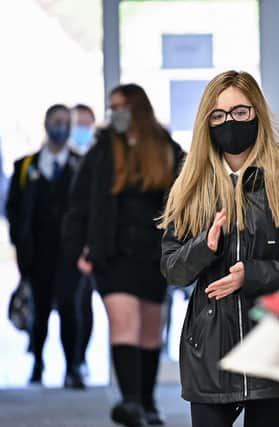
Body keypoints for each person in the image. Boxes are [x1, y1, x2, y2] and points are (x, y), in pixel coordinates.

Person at [159, 70, 279, 427]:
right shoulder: (191, 183)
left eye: (240, 112)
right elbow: (172, 269)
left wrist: (252, 275)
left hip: (271, 344)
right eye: (218, 116)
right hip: (210, 350)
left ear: (257, 113)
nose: (229, 122)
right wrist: (206, 245)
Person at [62, 84, 184, 426]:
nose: (114, 112)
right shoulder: (102, 150)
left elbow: (185, 198)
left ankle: (146, 403)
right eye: (112, 106)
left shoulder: (166, 148)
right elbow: (79, 203)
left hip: (154, 255)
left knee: (149, 330)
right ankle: (130, 403)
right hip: (111, 254)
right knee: (123, 323)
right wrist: (78, 249)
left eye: (121, 106)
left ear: (138, 109)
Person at [6, 104, 84, 388]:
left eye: (65, 121)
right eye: (56, 121)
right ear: (46, 124)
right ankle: (37, 363)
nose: (60, 127)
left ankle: (73, 367)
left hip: (71, 255)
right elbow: (13, 209)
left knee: (69, 310)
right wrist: (20, 241)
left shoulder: (81, 165)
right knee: (38, 310)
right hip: (37, 253)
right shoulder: (26, 166)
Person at [70, 103, 97, 376]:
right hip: (72, 248)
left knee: (84, 304)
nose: (82, 130)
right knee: (73, 304)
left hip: (94, 247)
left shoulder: (96, 159)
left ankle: (79, 359)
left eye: (87, 124)